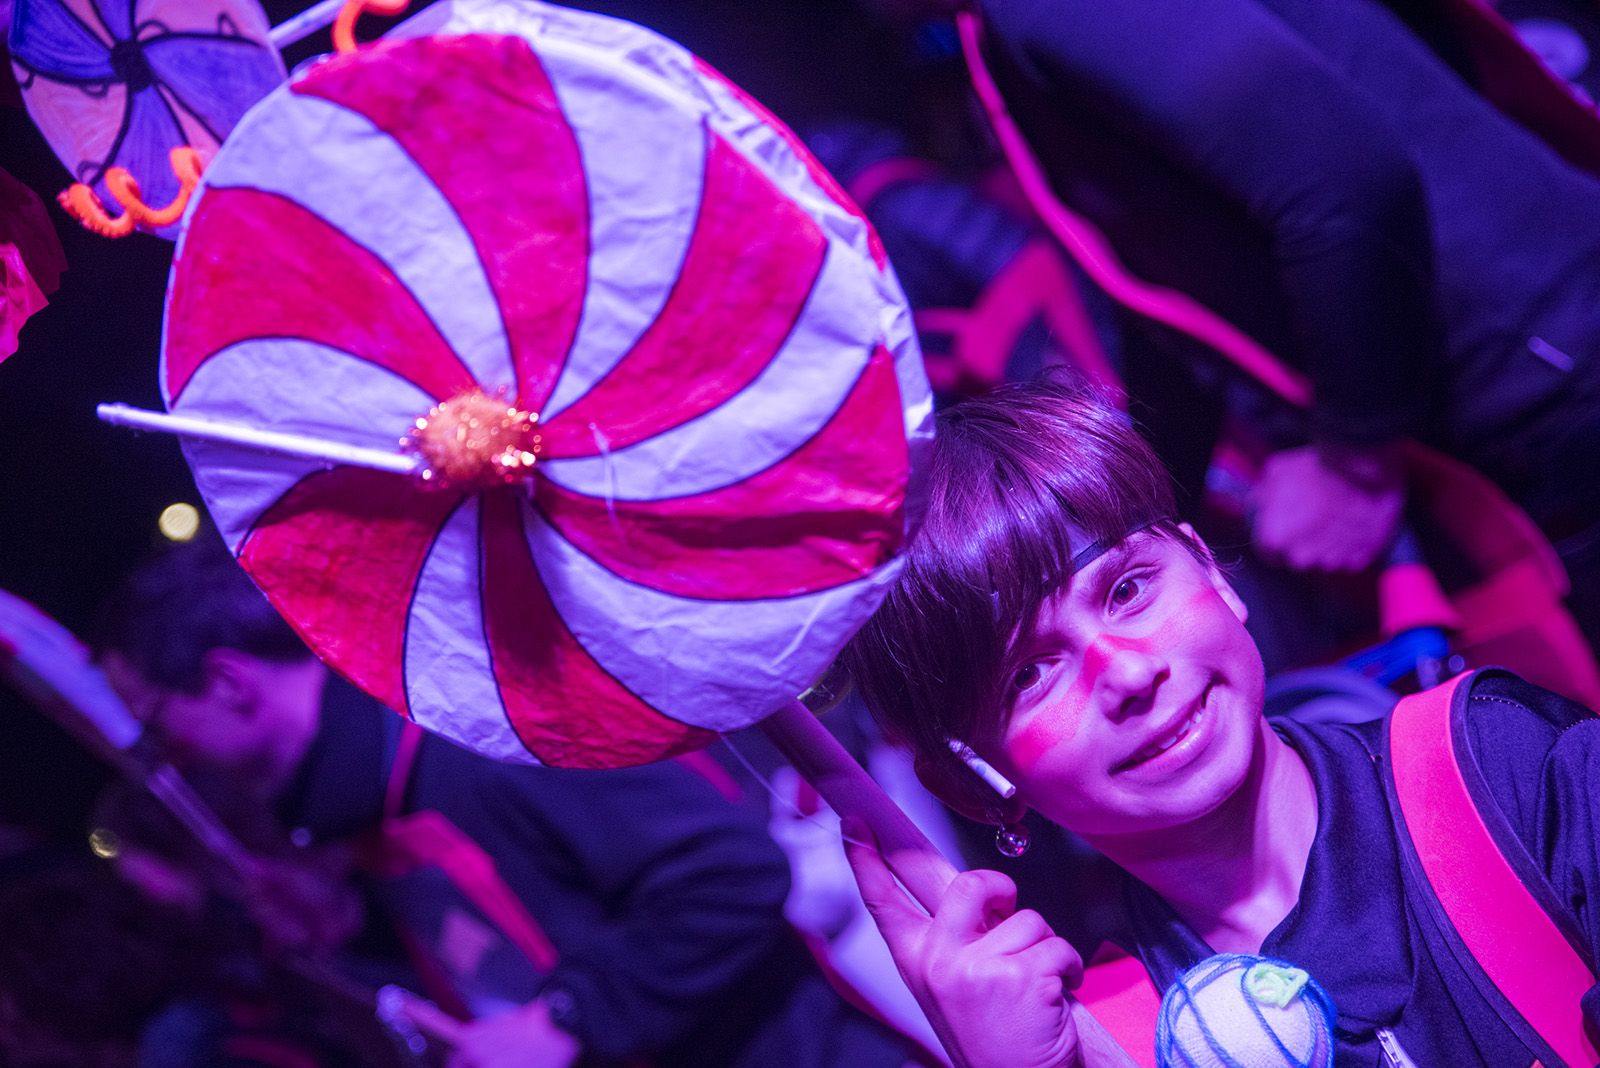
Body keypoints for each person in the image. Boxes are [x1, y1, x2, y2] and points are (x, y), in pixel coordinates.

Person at [839, 379, 1600, 1066]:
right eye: (1029, 674)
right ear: (971, 786)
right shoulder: (1095, 1041)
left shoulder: (1498, 767)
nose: (1128, 674)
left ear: (1208, 570)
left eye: (1128, 589)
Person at [93, 535, 930, 1068]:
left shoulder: (476, 728)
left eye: (161, 723)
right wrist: (346, 931)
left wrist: (567, 1020)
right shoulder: (361, 806)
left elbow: (732, 871)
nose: (170, 754)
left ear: (230, 682)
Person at [968, 0, 1600, 637]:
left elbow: (1343, 175)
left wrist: (1355, 465)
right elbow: (1171, 276)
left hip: (1545, 368)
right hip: (1532, 362)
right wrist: (1144, 514)